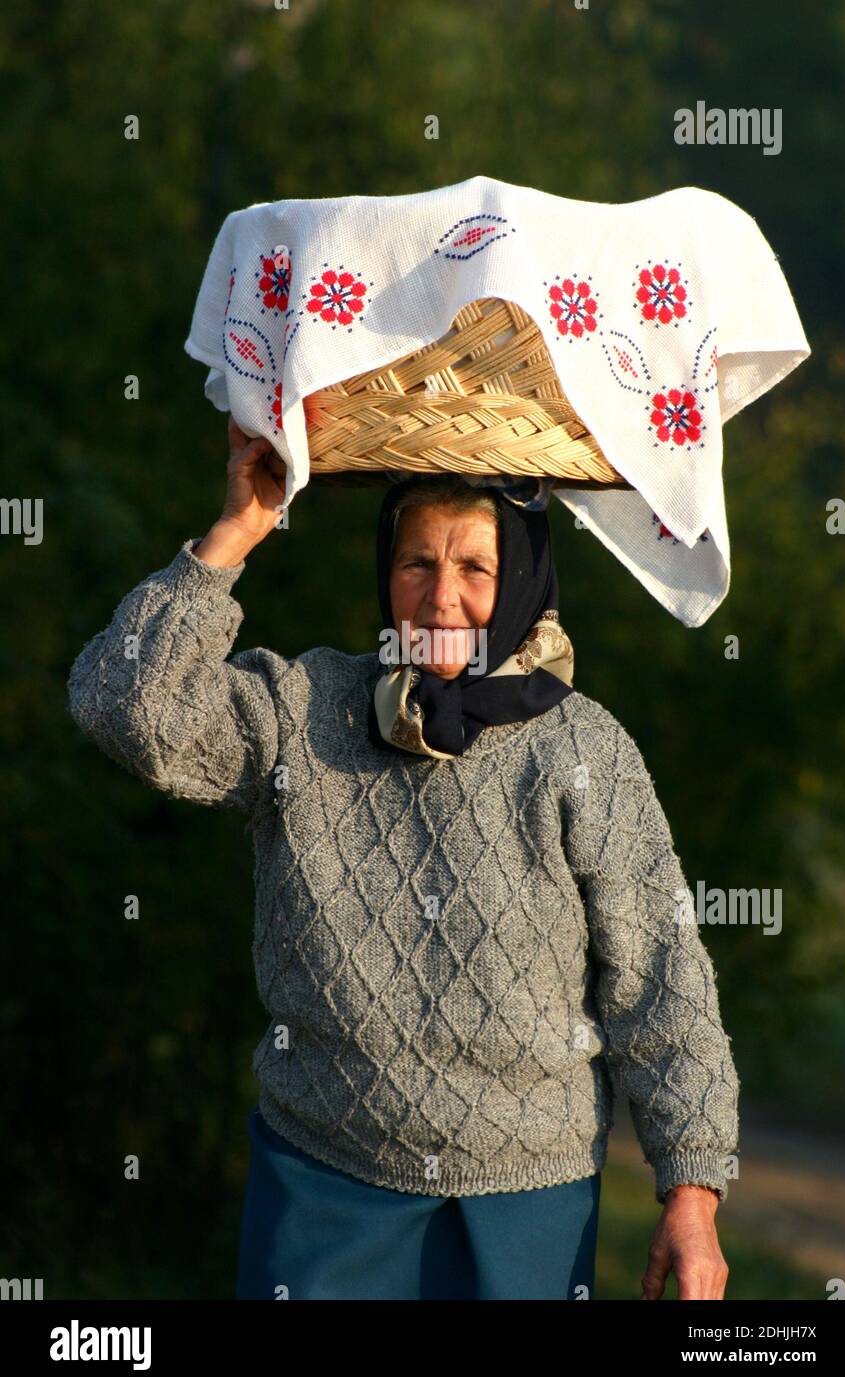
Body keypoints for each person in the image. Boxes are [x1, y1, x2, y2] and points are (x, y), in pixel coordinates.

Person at [67, 414, 739, 1301]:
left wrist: (691, 1196)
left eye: (475, 568)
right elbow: (122, 706)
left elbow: (661, 979)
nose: (439, 596)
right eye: (416, 562)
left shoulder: (583, 752)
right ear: (386, 573)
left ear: (526, 579)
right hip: (323, 1186)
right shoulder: (303, 710)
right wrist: (233, 536)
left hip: (527, 1208)